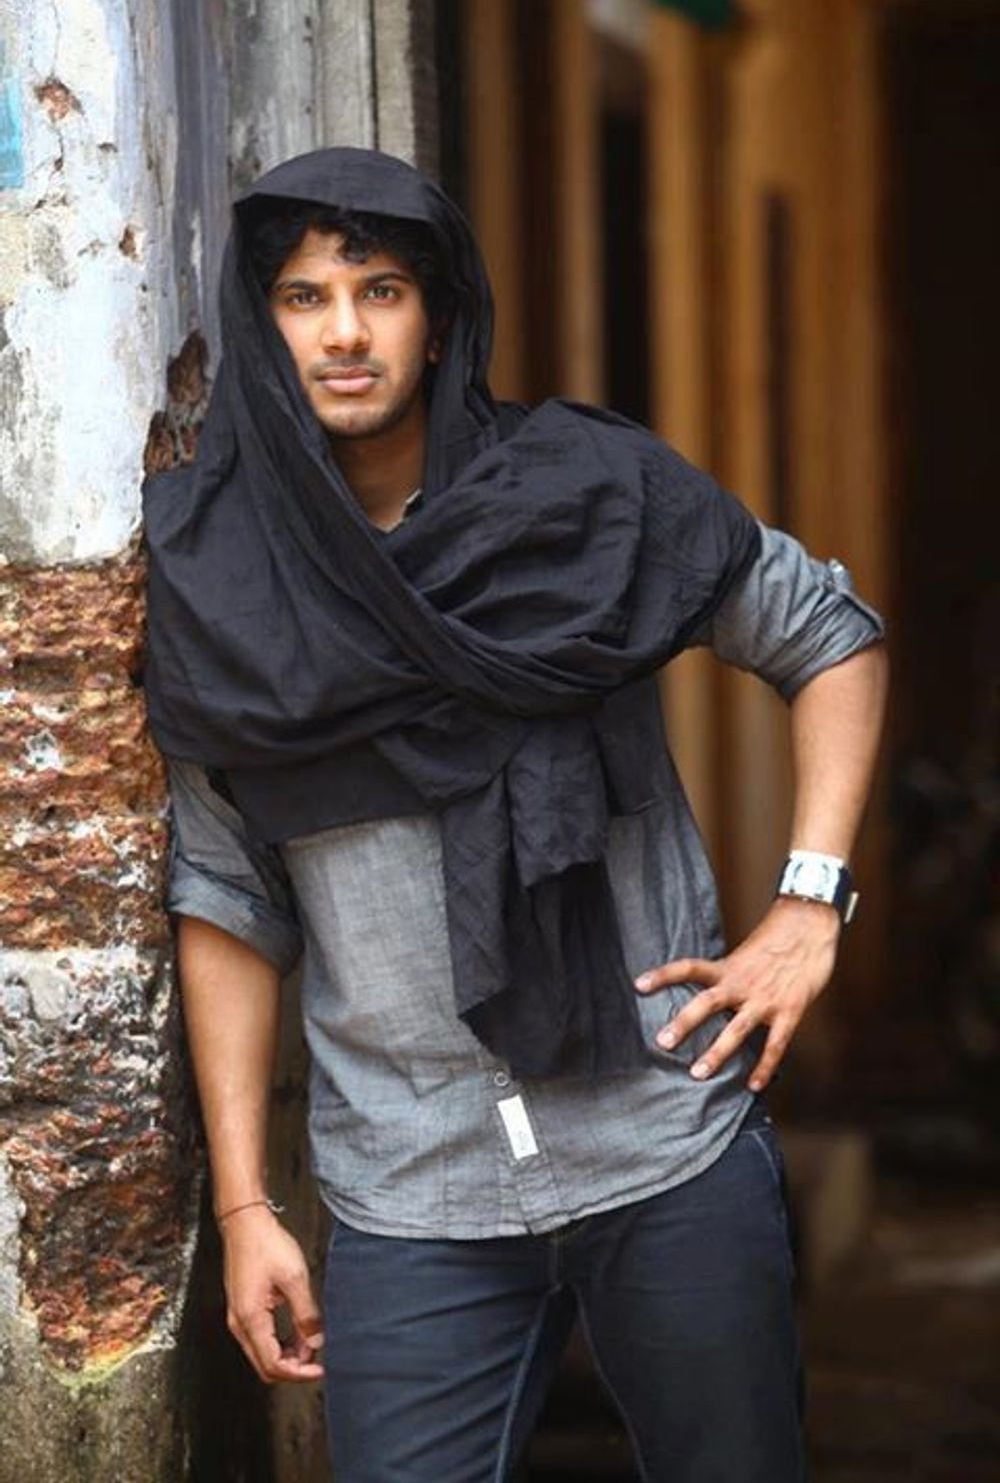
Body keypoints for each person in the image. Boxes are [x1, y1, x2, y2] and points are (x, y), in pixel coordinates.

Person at [142, 147, 887, 1483]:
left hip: (663, 1138)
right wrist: (247, 1207)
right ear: (264, 328)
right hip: (411, 1186)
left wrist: (809, 905)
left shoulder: (585, 503)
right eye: (306, 298)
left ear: (439, 321)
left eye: (380, 290)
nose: (346, 331)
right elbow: (227, 896)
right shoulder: (226, 587)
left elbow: (828, 634)